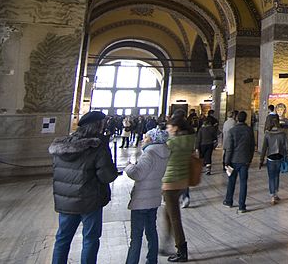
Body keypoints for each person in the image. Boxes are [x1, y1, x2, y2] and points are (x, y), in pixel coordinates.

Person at [49, 111, 119, 264]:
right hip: (90, 200)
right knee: (90, 239)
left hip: (66, 200)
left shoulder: (62, 146)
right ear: (98, 125)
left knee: (62, 239)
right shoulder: (97, 147)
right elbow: (107, 176)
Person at [124, 128, 170, 264]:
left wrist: (129, 167)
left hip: (142, 199)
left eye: (146, 137)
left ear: (152, 139)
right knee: (151, 231)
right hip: (154, 196)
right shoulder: (164, 152)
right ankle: (152, 260)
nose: (143, 139)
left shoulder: (149, 154)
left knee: (136, 236)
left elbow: (137, 174)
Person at [161, 113, 194, 262]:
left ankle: (181, 249)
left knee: (174, 217)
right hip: (182, 179)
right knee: (168, 213)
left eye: (169, 126)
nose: (167, 129)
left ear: (175, 128)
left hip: (170, 181)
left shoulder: (172, 143)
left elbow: (160, 155)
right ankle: (166, 242)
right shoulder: (189, 139)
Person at [223, 111, 255, 213]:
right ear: (245, 118)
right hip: (244, 160)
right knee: (243, 183)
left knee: (231, 181)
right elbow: (252, 146)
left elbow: (229, 148)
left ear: (237, 118)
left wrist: (226, 161)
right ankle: (242, 206)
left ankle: (229, 201)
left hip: (233, 160)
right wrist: (249, 159)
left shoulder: (232, 131)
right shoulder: (249, 130)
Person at [259, 115, 288, 205]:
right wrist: (284, 152)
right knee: (277, 175)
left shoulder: (268, 134)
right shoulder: (282, 133)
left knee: (271, 177)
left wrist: (261, 160)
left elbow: (264, 148)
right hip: (279, 157)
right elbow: (287, 147)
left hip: (270, 158)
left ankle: (272, 195)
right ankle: (276, 194)